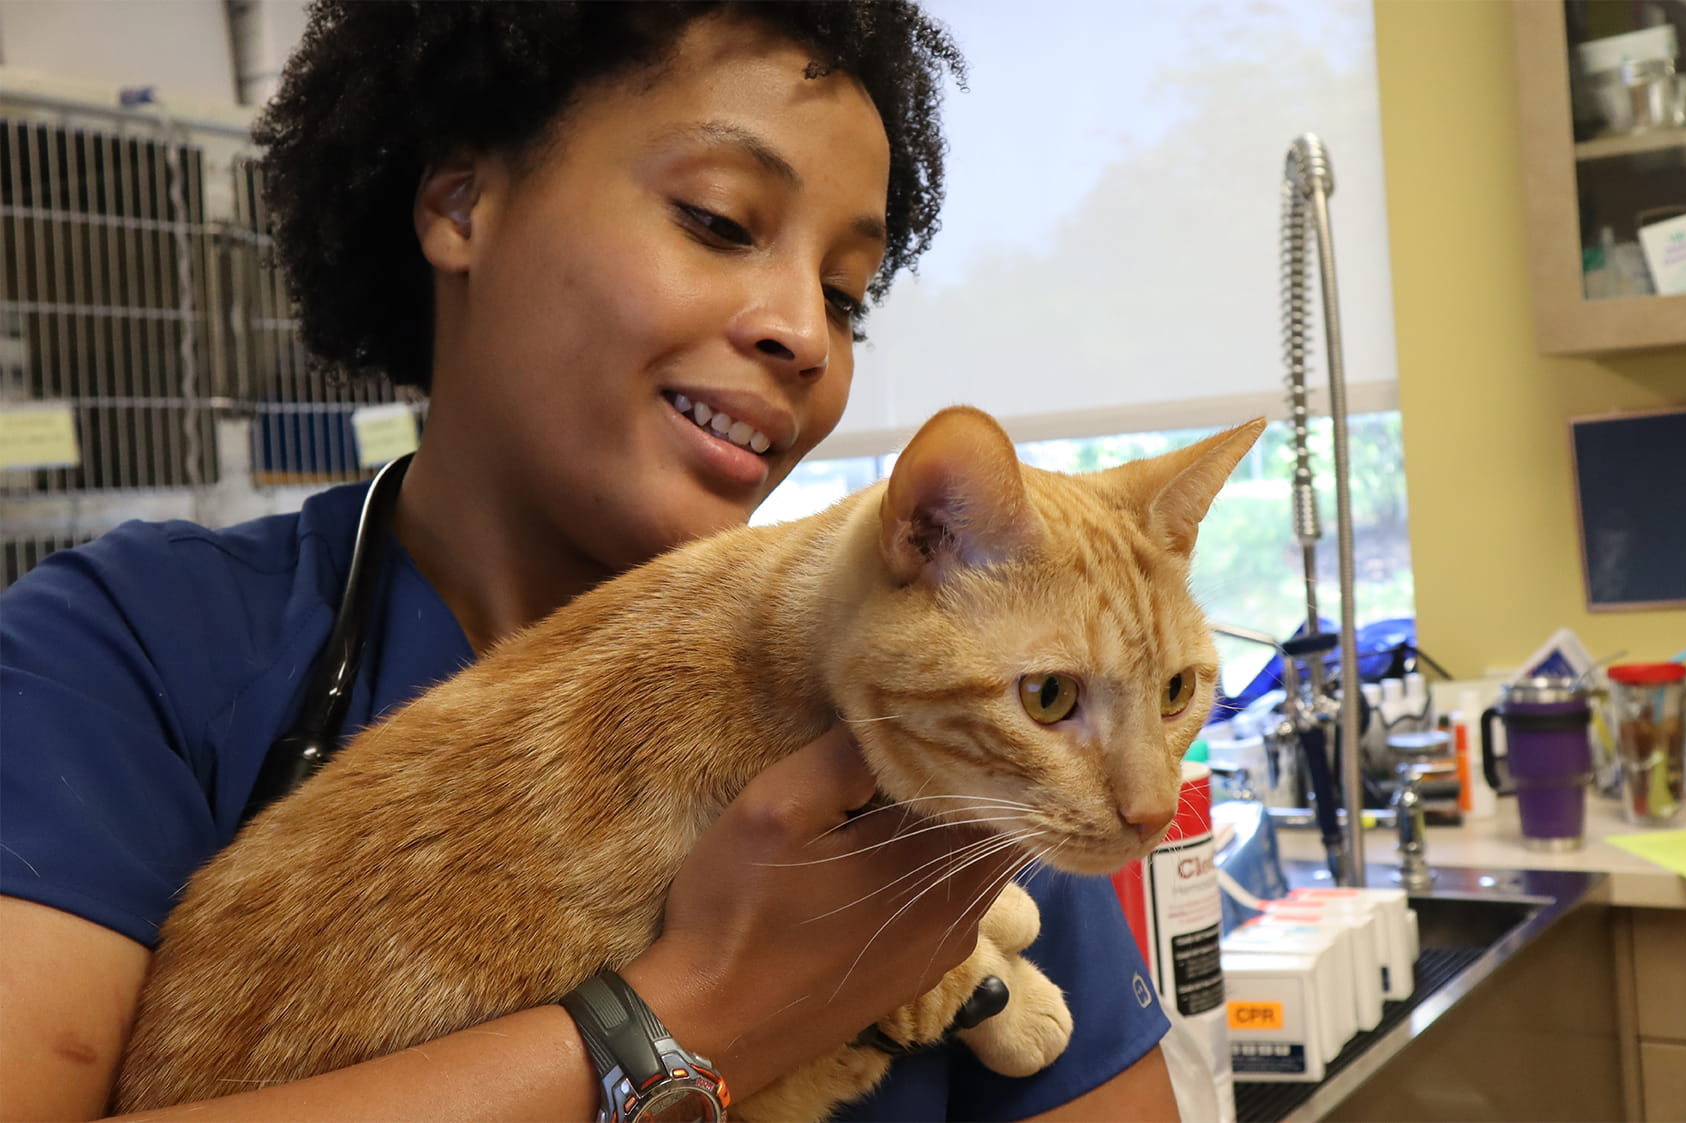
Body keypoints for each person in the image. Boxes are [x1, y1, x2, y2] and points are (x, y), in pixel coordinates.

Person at [0, 3, 1178, 1120]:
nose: (806, 336)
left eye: (845, 294)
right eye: (717, 220)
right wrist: (703, 1010)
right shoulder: (125, 650)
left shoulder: (973, 721)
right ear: (461, 204)